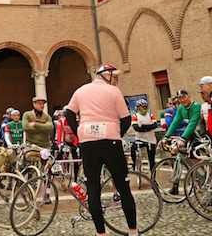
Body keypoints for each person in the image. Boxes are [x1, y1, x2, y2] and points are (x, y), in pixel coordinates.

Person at [65, 63, 137, 236]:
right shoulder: (114, 91)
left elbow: (69, 113)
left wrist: (78, 131)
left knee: (93, 188)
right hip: (110, 140)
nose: (115, 79)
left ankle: (100, 233)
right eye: (114, 76)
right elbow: (126, 118)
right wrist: (117, 133)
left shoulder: (81, 90)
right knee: (123, 187)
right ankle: (133, 231)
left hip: (87, 141)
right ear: (107, 75)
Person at [130, 99, 158, 172]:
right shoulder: (135, 116)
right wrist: (148, 127)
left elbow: (155, 125)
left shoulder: (150, 115)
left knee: (152, 160)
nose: (144, 108)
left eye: (145, 106)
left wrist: (143, 127)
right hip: (140, 139)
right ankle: (134, 164)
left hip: (151, 140)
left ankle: (153, 174)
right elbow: (136, 128)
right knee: (133, 148)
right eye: (143, 107)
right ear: (138, 108)